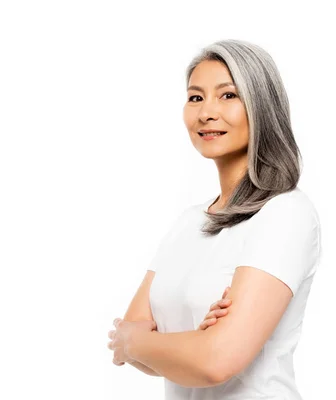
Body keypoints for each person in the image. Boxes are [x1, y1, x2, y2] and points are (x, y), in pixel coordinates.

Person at [107, 39, 322, 400]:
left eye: (227, 96)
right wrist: (185, 342)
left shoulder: (285, 213)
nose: (206, 112)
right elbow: (127, 338)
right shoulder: (189, 222)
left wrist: (141, 341)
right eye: (195, 97)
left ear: (261, 106)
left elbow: (215, 361)